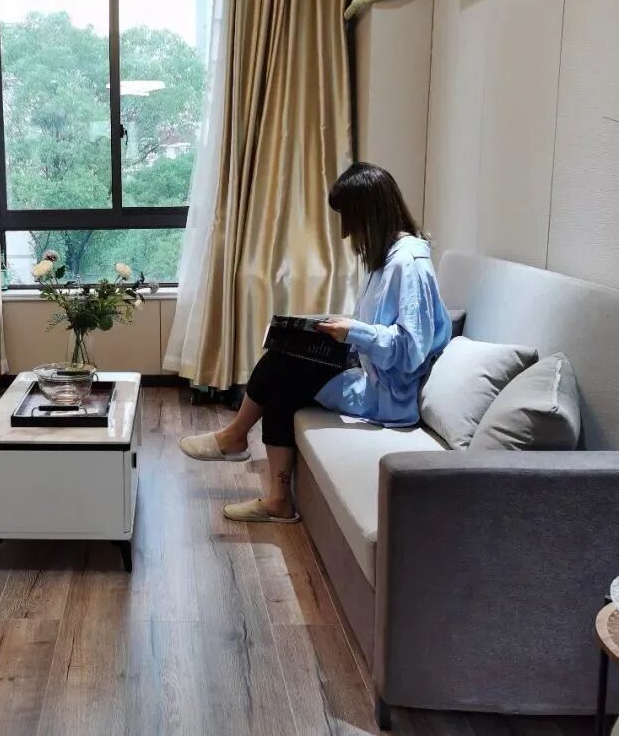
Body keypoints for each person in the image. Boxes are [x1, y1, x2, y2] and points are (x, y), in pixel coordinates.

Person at [179, 162, 452, 523]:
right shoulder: (387, 259)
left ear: (369, 214)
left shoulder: (409, 263)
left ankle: (237, 442)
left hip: (388, 395)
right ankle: (269, 489)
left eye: (349, 220)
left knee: (282, 370)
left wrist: (353, 331)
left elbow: (411, 350)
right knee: (286, 355)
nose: (345, 233)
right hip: (368, 371)